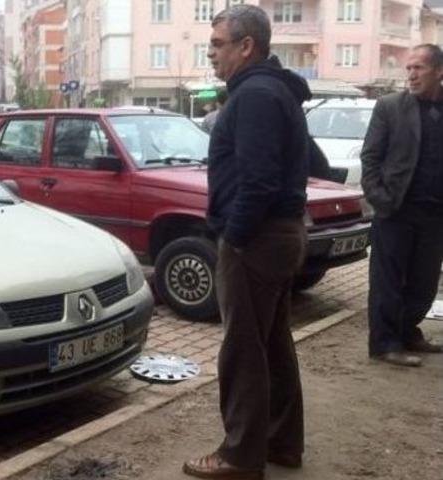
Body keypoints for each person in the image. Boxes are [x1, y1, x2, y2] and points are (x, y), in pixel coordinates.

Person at [183, 6, 311, 479]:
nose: (211, 53)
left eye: (217, 44)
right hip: (277, 233)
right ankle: (282, 443)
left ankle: (239, 456)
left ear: (246, 46)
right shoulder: (272, 90)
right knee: (272, 345)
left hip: (256, 239)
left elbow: (258, 180)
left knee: (243, 350)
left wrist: (234, 238)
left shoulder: (255, 95)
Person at [361, 44, 443, 367]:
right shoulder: (390, 107)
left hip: (435, 215)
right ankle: (385, 343)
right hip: (396, 210)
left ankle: (408, 332)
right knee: (388, 282)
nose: (411, 74)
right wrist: (380, 199)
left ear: (439, 72)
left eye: (418, 68)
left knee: (424, 283)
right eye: (409, 68)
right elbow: (370, 157)